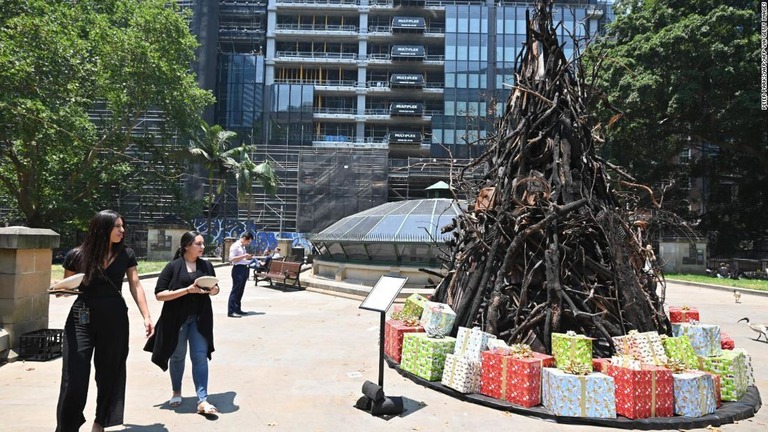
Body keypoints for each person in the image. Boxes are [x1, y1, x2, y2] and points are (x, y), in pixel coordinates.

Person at [55, 210, 153, 432]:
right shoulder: (77, 255)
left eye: (122, 226)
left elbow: (135, 284)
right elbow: (66, 287)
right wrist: (60, 290)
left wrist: (147, 316)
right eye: (117, 226)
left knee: (110, 373)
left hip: (115, 319)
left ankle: (100, 422)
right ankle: (67, 427)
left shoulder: (126, 254)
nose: (122, 230)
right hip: (81, 317)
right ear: (102, 228)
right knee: (74, 378)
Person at [143, 231, 220, 415]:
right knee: (177, 356)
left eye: (203, 244)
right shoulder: (173, 267)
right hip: (177, 320)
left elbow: (216, 290)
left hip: (200, 319)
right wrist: (187, 290)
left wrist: (212, 290)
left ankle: (202, 400)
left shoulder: (206, 265)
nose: (202, 247)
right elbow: (159, 294)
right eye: (198, 244)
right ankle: (176, 391)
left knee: (200, 357)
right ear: (186, 246)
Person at [228, 232, 253, 317]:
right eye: (248, 241)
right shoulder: (235, 246)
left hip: (244, 268)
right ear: (244, 238)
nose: (248, 243)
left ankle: (237, 309)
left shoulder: (242, 247)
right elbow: (231, 259)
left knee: (240, 291)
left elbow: (241, 258)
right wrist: (243, 256)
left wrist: (246, 257)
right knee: (235, 290)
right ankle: (231, 311)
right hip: (238, 269)